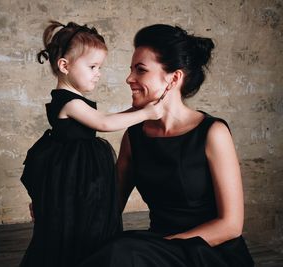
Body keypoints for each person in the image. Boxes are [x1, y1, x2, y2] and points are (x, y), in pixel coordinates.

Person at [78, 24, 254, 267]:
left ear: (174, 78)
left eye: (140, 70)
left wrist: (162, 246)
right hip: (155, 249)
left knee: (123, 252)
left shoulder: (213, 133)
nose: (129, 78)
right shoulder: (135, 136)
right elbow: (109, 204)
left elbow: (231, 225)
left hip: (208, 252)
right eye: (131, 70)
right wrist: (54, 206)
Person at [19, 21, 163, 267]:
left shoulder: (75, 99)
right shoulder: (68, 101)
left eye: (100, 67)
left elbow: (108, 119)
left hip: (80, 168)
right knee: (70, 220)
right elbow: (104, 123)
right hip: (72, 168)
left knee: (86, 215)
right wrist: (147, 113)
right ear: (64, 65)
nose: (98, 73)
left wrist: (137, 108)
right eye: (92, 66)